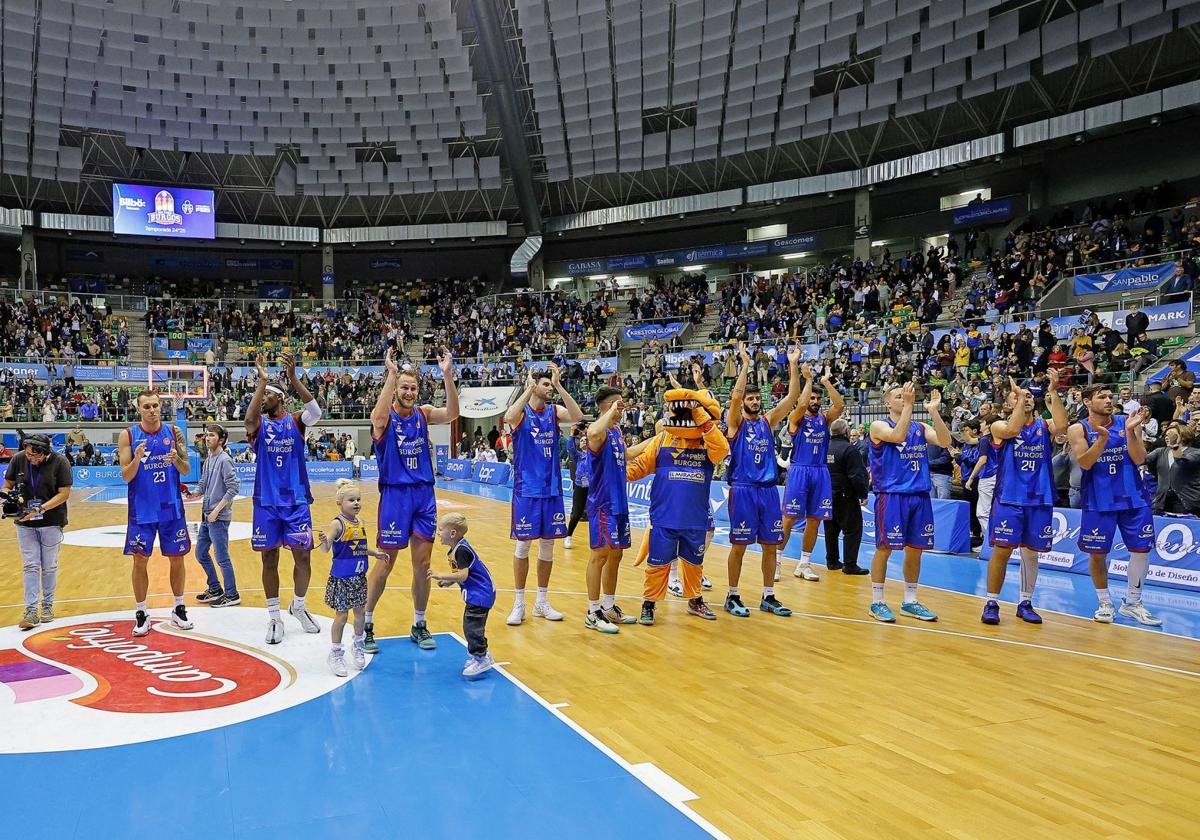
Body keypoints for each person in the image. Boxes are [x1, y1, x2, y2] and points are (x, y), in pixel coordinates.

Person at [363, 348, 459, 654]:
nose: (408, 392)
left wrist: (447, 376)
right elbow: (377, 417)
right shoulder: (385, 417)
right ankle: (364, 623)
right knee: (385, 562)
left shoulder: (424, 413)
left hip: (423, 495)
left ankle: (419, 623)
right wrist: (391, 374)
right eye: (404, 387)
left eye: (412, 387)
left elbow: (453, 414)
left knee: (424, 563)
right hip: (394, 494)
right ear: (396, 389)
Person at [625, 386, 728, 625]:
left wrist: (701, 417)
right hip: (664, 516)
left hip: (695, 517)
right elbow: (640, 467)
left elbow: (722, 450)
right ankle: (649, 603)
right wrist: (616, 474)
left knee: (694, 564)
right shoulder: (662, 439)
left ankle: (695, 600)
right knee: (657, 563)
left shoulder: (706, 442)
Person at [245, 353, 323, 645]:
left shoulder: (296, 422)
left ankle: (299, 606)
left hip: (296, 501)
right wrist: (261, 383)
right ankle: (274, 617)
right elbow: (249, 419)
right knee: (269, 559)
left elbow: (315, 410)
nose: (263, 400)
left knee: (303, 557)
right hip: (266, 502)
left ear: (280, 399)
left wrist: (293, 379)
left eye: (267, 396)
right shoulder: (259, 425)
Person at [1067, 385, 1161, 625]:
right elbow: (1085, 463)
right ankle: (1105, 602)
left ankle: (1133, 602)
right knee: (1098, 554)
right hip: (1099, 500)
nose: (1109, 400)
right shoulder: (1078, 428)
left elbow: (1139, 458)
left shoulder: (1127, 420)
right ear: (1087, 402)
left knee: (1141, 550)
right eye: (1102, 397)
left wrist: (1130, 432)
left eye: (1111, 396)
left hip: (1134, 497)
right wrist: (1102, 440)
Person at [980, 370, 1068, 626]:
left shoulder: (1043, 426)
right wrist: (1018, 401)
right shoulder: (998, 425)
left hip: (1039, 497)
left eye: (1029, 396)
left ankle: (1025, 602)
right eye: (1019, 396)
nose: (1026, 398)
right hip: (1009, 497)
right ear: (1009, 404)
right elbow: (1011, 429)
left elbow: (1062, 425)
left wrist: (1053, 390)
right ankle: (992, 602)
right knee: (1002, 551)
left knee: (1032, 553)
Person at [723, 342, 801, 618]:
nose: (754, 401)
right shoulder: (736, 423)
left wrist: (793, 365)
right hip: (743, 489)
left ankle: (768, 595)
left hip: (768, 491)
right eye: (750, 398)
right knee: (739, 546)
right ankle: (732, 595)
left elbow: (792, 398)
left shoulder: (768, 422)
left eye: (757, 398)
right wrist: (745, 365)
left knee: (771, 545)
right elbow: (734, 399)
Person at [502, 363, 583, 625]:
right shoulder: (522, 413)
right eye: (546, 384)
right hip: (526, 489)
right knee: (523, 544)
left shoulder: (554, 412)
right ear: (535, 385)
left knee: (548, 545)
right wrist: (528, 388)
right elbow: (508, 416)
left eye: (551, 384)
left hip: (551, 489)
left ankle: (542, 601)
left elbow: (578, 415)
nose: (549, 388)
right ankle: (518, 603)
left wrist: (559, 385)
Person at [866, 383, 952, 622]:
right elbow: (897, 436)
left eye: (905, 395)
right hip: (892, 496)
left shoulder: (920, 427)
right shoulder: (878, 425)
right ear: (886, 403)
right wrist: (910, 406)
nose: (904, 398)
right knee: (884, 549)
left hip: (919, 495)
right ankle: (877, 601)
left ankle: (910, 600)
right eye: (898, 396)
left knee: (916, 550)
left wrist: (934, 412)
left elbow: (945, 441)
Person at [119, 390, 193, 637]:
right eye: (147, 406)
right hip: (142, 510)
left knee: (177, 558)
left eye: (155, 406)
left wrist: (175, 460)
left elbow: (186, 469)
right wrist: (137, 458)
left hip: (171, 508)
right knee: (140, 560)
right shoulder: (128, 435)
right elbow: (126, 476)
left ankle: (179, 607)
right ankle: (141, 612)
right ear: (138, 409)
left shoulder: (174, 432)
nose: (152, 410)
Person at [317, 479, 388, 676]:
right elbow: (325, 549)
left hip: (359, 577)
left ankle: (357, 645)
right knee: (341, 616)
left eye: (358, 499)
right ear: (339, 503)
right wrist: (324, 541)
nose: (356, 503)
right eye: (351, 500)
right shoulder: (337, 523)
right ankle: (335, 652)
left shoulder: (361, 522)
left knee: (360, 614)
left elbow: (360, 547)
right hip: (342, 578)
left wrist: (375, 554)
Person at [780, 363, 843, 581]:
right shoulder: (796, 419)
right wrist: (807, 380)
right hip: (799, 470)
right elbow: (801, 403)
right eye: (812, 399)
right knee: (788, 518)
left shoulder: (824, 420)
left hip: (820, 471)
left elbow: (839, 405)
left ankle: (804, 564)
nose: (814, 402)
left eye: (818, 399)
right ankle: (776, 561)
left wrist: (826, 382)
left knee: (815, 520)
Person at [4, 434, 71, 630]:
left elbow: (64, 493)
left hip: (51, 521)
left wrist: (41, 509)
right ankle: (31, 610)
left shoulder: (60, 462)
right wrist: (7, 498)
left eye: (35, 455)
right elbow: (8, 485)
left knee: (49, 566)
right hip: (24, 522)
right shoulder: (18, 459)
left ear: (45, 453)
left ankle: (48, 605)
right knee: (30, 565)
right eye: (28, 454)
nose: (31, 458)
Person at [584, 386, 632, 633]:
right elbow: (592, 431)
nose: (621, 408)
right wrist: (611, 409)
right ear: (605, 406)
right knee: (600, 555)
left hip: (620, 502)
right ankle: (592, 612)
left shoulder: (616, 432)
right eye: (617, 404)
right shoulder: (599, 433)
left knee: (616, 555)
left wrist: (657, 440)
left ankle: (609, 606)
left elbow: (628, 455)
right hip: (603, 503)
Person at [431, 512, 497, 680]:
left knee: (471, 627)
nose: (438, 533)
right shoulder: (455, 550)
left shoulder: (461, 550)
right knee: (472, 626)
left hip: (480, 594)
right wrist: (448, 582)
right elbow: (461, 574)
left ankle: (481, 658)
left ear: (452, 533)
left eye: (441, 530)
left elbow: (462, 576)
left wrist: (442, 576)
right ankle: (483, 654)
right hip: (478, 594)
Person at [194, 424, 241, 607]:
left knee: (222, 557)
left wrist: (216, 511)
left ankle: (232, 594)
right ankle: (214, 588)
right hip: (206, 516)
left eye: (211, 435)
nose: (207, 438)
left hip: (218, 518)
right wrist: (193, 493)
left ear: (221, 439)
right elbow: (203, 484)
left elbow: (233, 488)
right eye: (206, 435)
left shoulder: (224, 460)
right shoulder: (208, 460)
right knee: (200, 553)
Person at [823, 419, 869, 575]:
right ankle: (850, 564)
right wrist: (862, 493)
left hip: (827, 495)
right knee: (853, 530)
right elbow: (856, 475)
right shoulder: (850, 450)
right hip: (846, 495)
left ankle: (832, 561)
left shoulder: (825, 447)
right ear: (846, 432)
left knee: (830, 530)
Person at [1145, 424, 1200, 516]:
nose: (1167, 437)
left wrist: (1175, 446)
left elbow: (1182, 461)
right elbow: (1143, 460)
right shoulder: (1160, 452)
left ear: (1183, 436)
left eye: (1172, 435)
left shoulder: (1196, 452)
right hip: (1161, 502)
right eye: (1166, 435)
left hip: (1188, 503)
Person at [964, 417, 999, 539]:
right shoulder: (995, 439)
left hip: (987, 475)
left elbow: (983, 459)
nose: (980, 424)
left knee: (982, 513)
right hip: (998, 475)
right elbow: (969, 440)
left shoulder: (984, 440)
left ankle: (989, 543)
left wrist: (971, 478)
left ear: (989, 425)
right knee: (992, 510)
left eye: (982, 422)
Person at [564, 431, 589, 549]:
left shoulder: (594, 455)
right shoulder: (578, 455)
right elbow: (570, 447)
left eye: (586, 440)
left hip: (593, 487)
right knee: (576, 513)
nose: (583, 442)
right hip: (580, 486)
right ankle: (568, 536)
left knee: (595, 513)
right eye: (582, 440)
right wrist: (572, 435)